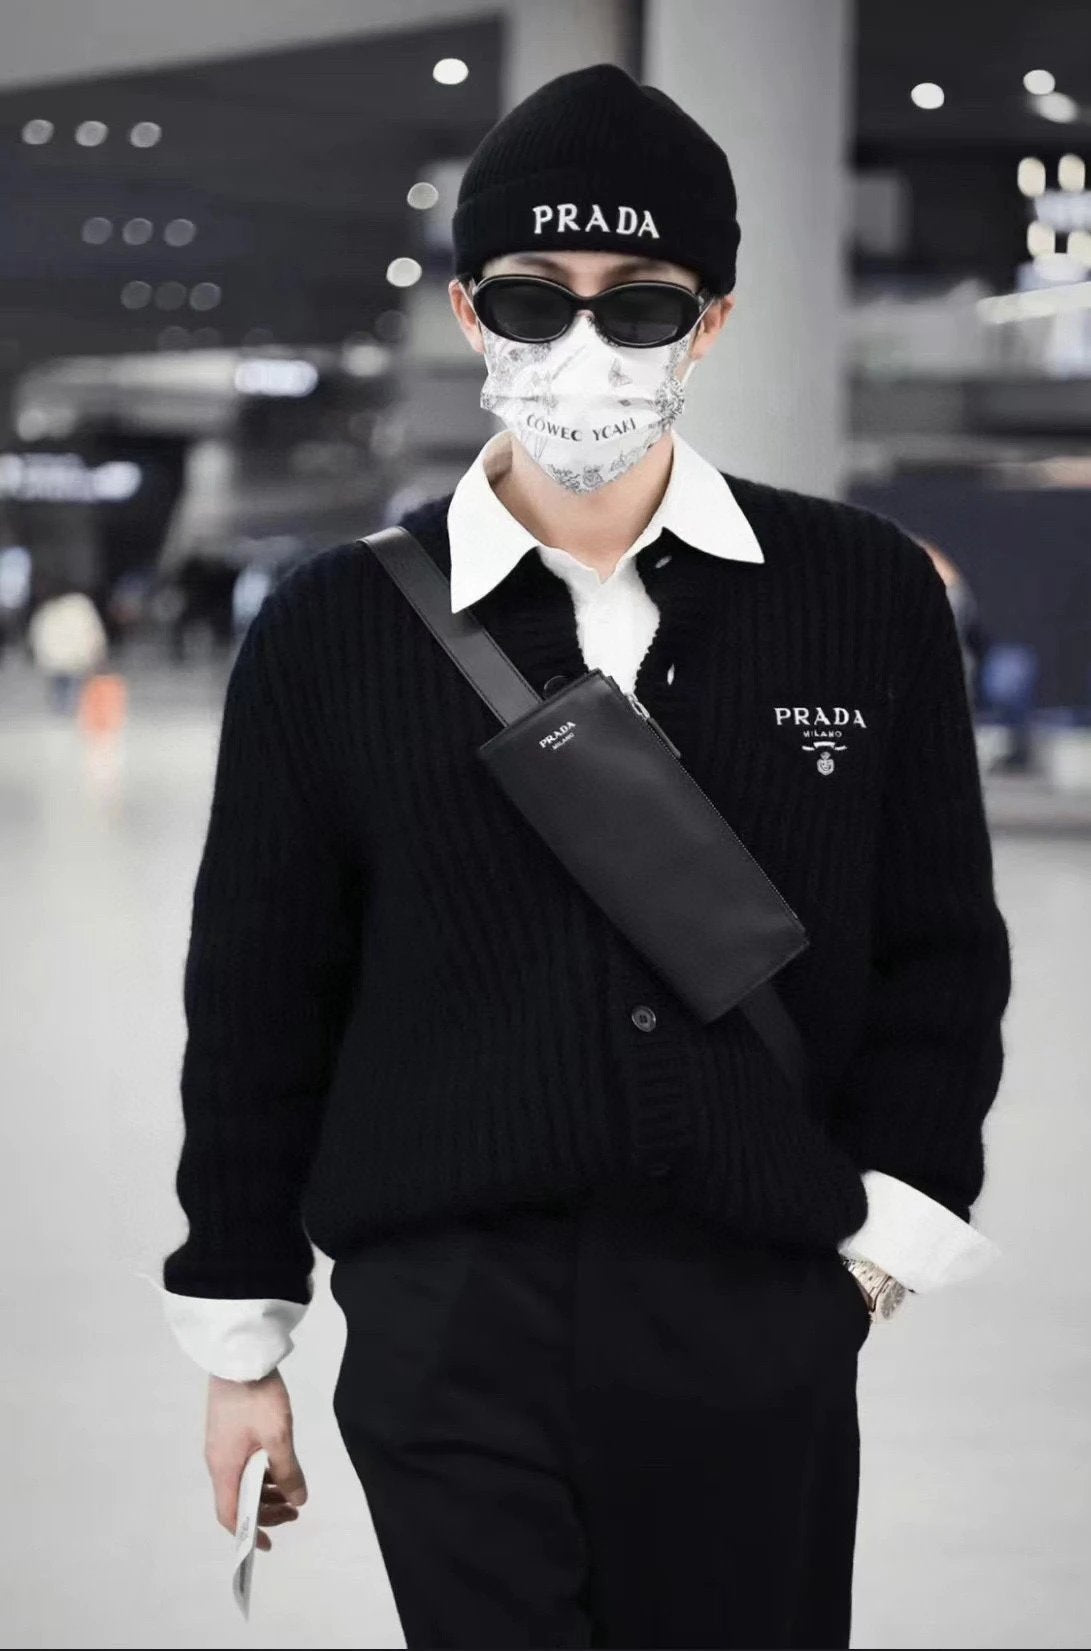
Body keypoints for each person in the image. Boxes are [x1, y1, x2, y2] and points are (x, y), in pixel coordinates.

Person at [156, 65, 1011, 1650]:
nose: (583, 343)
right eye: (534, 297)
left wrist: (877, 1250)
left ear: (713, 321)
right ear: (471, 314)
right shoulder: (333, 628)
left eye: (643, 301)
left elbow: (940, 950)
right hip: (444, 1315)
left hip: (757, 1305)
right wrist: (242, 1340)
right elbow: (261, 996)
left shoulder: (863, 592)